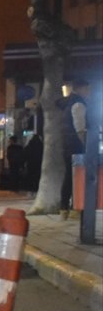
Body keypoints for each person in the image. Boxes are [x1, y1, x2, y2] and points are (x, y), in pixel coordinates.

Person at [60, 81, 88, 217]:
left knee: (69, 176)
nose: (89, 92)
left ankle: (64, 207)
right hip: (76, 145)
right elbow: (80, 128)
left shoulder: (67, 103)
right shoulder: (78, 103)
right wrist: (86, 144)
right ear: (81, 88)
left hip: (67, 144)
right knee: (78, 176)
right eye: (87, 89)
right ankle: (75, 208)